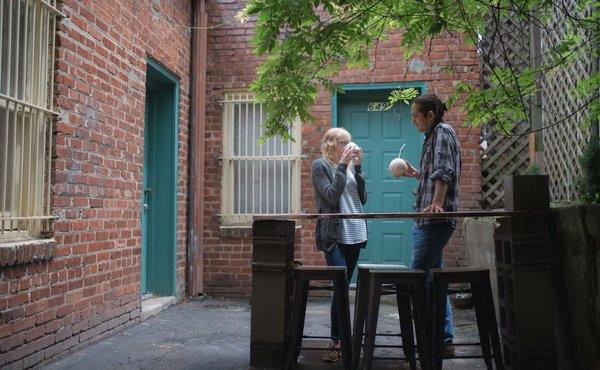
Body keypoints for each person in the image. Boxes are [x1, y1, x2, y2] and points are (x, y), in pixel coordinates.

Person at [402, 94, 462, 357]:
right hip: (427, 218)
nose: (413, 119)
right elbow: (434, 171)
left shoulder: (441, 132)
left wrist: (437, 203)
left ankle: (427, 340)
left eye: (416, 114)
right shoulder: (433, 136)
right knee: (434, 277)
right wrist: (416, 173)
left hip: (434, 220)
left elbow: (444, 171)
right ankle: (443, 338)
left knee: (416, 276)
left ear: (430, 114)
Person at [311, 127, 367, 363]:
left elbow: (361, 199)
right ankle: (337, 341)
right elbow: (331, 196)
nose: (349, 145)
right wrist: (343, 165)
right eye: (345, 142)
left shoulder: (351, 166)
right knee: (341, 286)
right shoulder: (320, 166)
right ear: (332, 144)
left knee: (344, 286)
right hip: (334, 235)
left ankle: (344, 340)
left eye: (350, 141)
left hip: (356, 231)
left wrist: (359, 167)